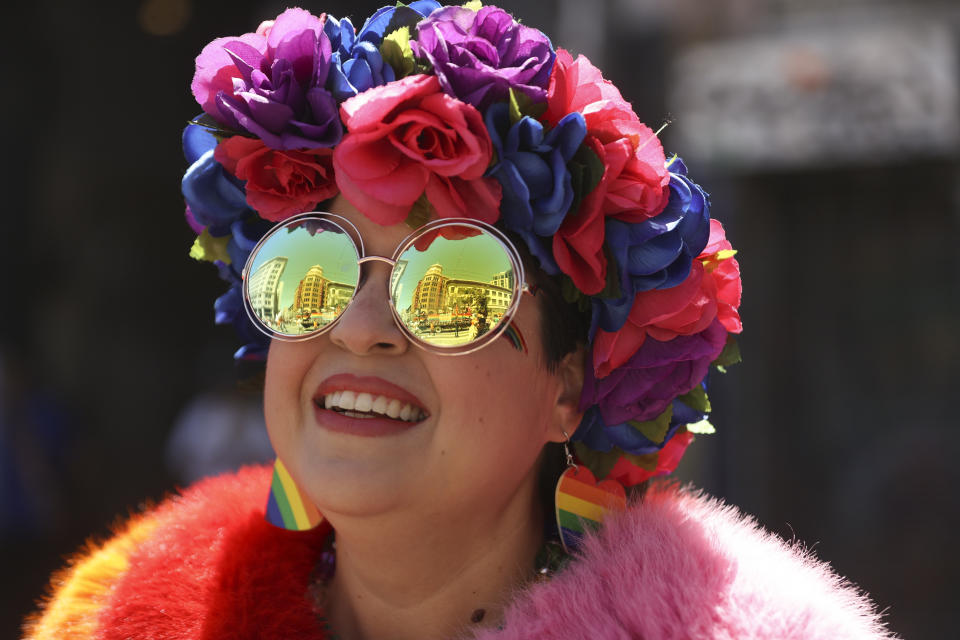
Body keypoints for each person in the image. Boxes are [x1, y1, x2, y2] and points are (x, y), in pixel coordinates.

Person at [24, 4, 896, 639]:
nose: (361, 328)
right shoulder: (115, 621)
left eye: (454, 282)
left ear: (570, 384)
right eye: (315, 264)